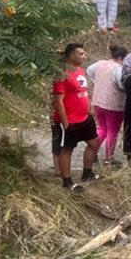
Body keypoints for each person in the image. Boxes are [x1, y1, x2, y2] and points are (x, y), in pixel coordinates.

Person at [52, 43, 101, 191]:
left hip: (85, 117)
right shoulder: (61, 74)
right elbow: (58, 101)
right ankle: (67, 181)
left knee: (94, 143)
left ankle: (87, 173)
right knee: (67, 150)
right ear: (71, 56)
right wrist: (65, 123)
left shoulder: (80, 70)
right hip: (69, 120)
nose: (84, 55)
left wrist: (89, 107)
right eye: (81, 53)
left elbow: (83, 91)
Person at [88, 44, 128, 166]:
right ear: (121, 58)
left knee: (102, 128)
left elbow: (89, 71)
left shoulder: (100, 63)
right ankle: (109, 158)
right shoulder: (118, 68)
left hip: (98, 101)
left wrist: (97, 82)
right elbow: (121, 85)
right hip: (113, 104)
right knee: (112, 131)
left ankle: (93, 152)